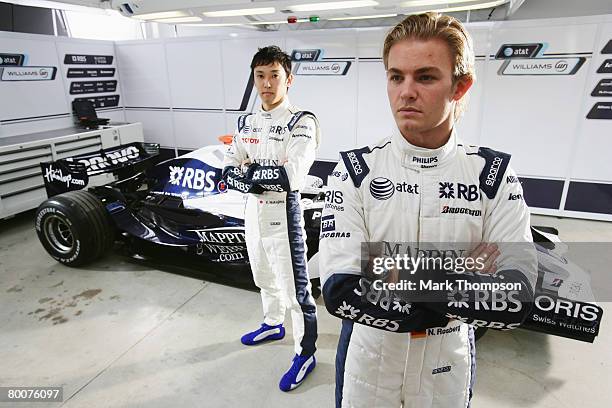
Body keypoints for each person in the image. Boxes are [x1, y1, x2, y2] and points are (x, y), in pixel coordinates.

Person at [319, 12, 537, 408]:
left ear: (460, 85)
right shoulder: (354, 171)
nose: (406, 91)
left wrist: (386, 269)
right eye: (395, 76)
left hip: (447, 364)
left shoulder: (494, 175)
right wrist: (462, 272)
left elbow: (515, 298)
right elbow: (340, 291)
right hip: (369, 357)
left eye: (425, 76)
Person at [222, 45, 321, 392]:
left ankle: (305, 352)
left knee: (296, 291)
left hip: (284, 216)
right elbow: (229, 166)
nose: (266, 83)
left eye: (274, 75)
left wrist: (249, 174)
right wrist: (253, 175)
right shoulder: (246, 122)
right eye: (260, 76)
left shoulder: (302, 122)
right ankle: (272, 323)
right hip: (253, 212)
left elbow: (291, 177)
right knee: (263, 276)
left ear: (288, 79)